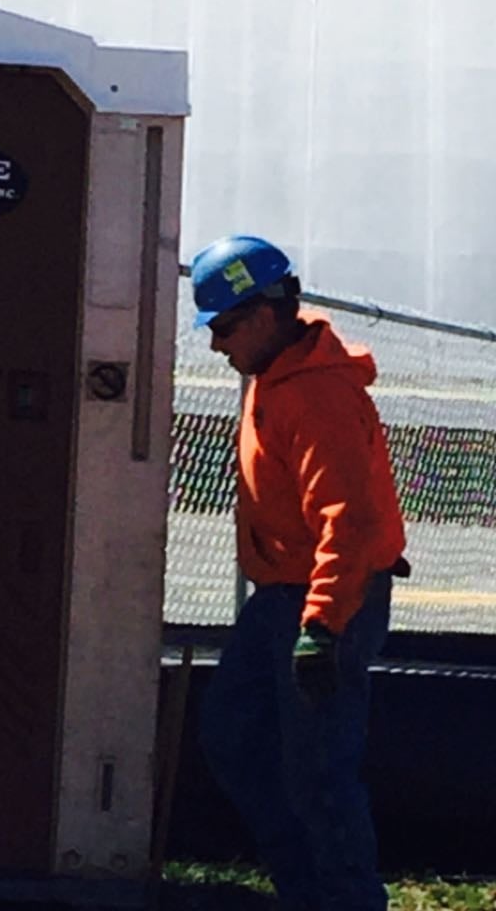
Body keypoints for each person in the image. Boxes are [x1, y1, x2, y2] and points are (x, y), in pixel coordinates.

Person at [190, 235, 408, 911]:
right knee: (234, 735)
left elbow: (348, 522)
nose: (216, 345)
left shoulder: (313, 396)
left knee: (318, 770)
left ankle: (344, 899)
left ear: (261, 315)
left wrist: (321, 627)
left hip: (324, 604)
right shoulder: (278, 376)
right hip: (284, 596)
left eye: (223, 327)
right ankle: (310, 890)